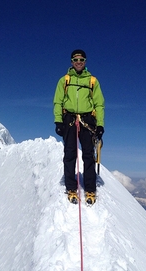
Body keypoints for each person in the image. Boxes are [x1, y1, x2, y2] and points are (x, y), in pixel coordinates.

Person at [53, 49, 105, 205]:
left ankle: (90, 188)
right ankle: (71, 186)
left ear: (86, 61)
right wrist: (58, 121)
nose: (79, 62)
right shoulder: (65, 80)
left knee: (88, 155)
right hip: (69, 118)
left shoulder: (92, 81)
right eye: (76, 59)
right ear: (71, 61)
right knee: (70, 154)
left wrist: (100, 124)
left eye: (81, 59)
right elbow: (58, 101)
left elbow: (99, 104)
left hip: (88, 120)